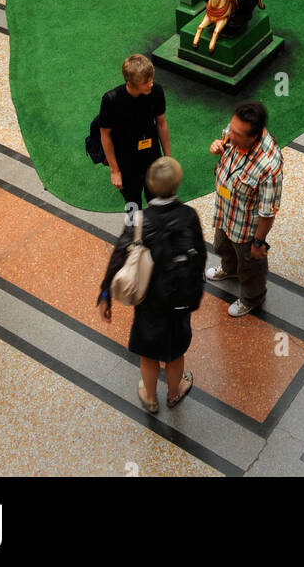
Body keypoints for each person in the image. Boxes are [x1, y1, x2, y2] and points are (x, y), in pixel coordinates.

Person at [98, 157, 204, 414]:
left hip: (149, 301)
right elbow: (200, 256)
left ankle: (150, 398)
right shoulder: (189, 216)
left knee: (149, 353)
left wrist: (104, 294)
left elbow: (119, 256)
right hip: (180, 301)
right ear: (177, 184)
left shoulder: (138, 220)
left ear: (150, 185)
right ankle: (174, 392)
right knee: (175, 353)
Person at [205, 101, 283, 317]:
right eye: (231, 128)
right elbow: (223, 143)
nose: (231, 134)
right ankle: (230, 270)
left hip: (247, 229)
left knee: (250, 268)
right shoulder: (234, 133)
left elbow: (268, 212)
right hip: (225, 212)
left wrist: (258, 243)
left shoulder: (269, 166)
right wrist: (216, 147)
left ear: (254, 136)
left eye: (237, 134)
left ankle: (252, 298)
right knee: (221, 246)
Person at [99, 54, 171, 211]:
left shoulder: (156, 91)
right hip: (126, 164)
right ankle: (133, 234)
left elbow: (161, 124)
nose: (150, 84)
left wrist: (168, 157)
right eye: (146, 82)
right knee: (132, 206)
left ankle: (154, 234)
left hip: (152, 158)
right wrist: (115, 171)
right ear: (130, 82)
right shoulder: (111, 100)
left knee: (158, 203)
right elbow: (105, 135)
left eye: (151, 79)